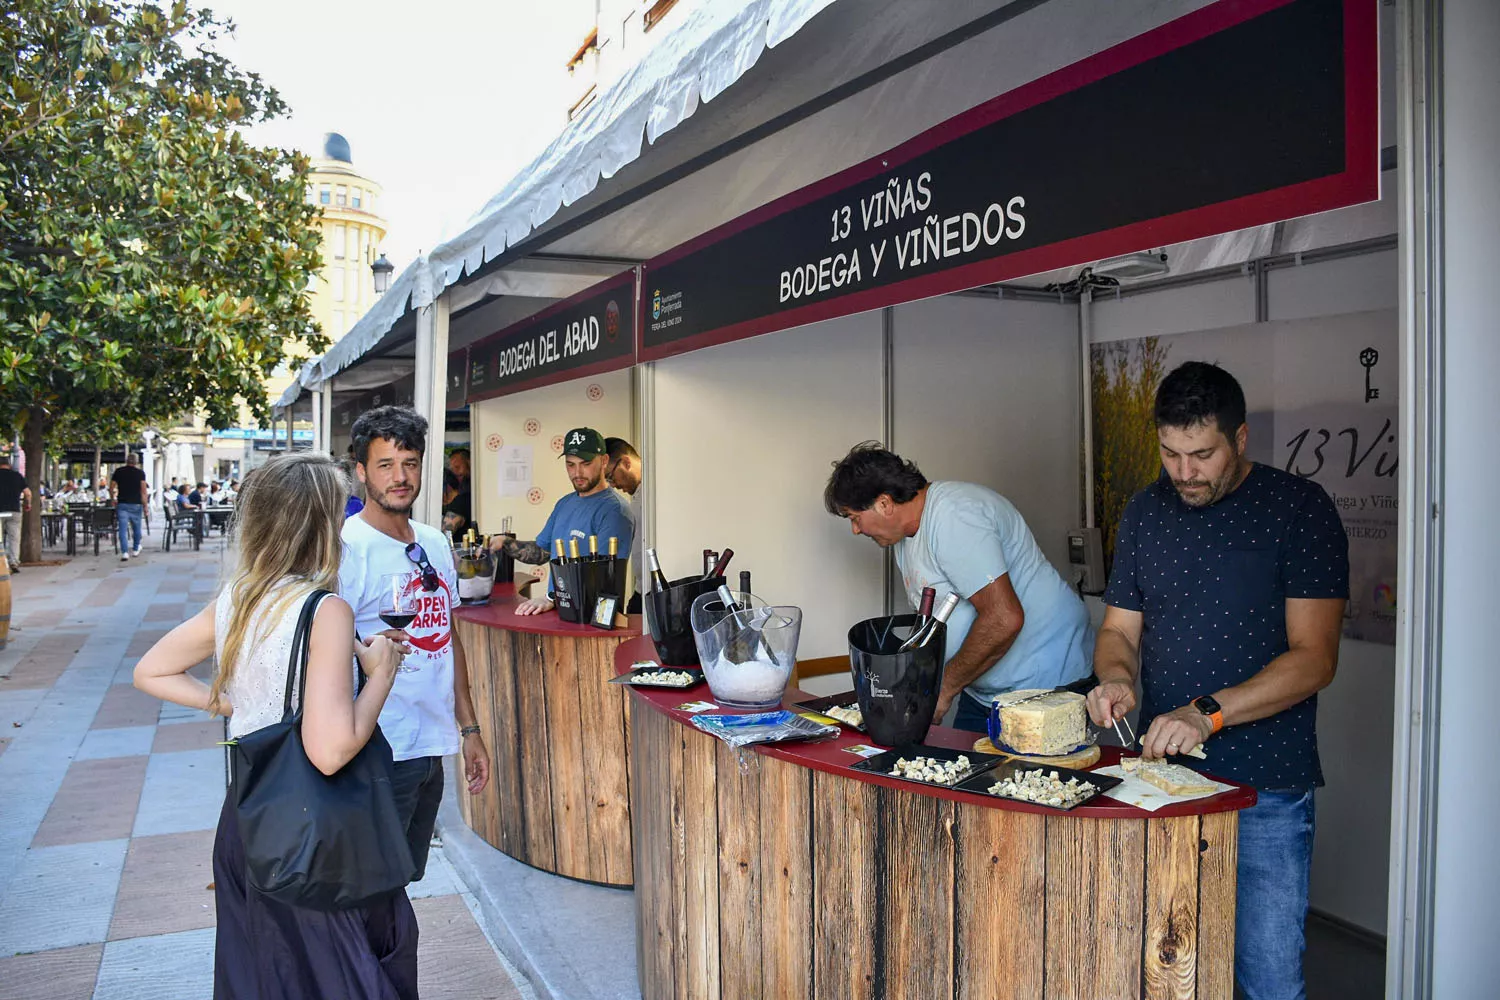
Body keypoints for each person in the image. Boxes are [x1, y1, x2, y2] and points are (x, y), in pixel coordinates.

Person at [1085, 362, 1348, 1000]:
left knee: (1267, 980)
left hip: (1267, 790)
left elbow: (1315, 659)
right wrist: (1116, 678)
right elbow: (1119, 632)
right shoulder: (1145, 511)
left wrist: (1207, 712)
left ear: (1241, 439)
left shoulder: (1299, 510)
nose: (1184, 472)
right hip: (1162, 783)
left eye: (1201, 454)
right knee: (1164, 968)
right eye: (1171, 453)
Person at [131, 453, 418, 998]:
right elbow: (331, 750)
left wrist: (232, 705)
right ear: (318, 523)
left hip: (247, 819)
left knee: (261, 973)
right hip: (317, 836)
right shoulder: (325, 609)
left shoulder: (239, 598)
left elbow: (152, 671)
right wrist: (380, 674)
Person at [824, 443, 1092, 730]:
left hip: (1045, 687)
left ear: (885, 503)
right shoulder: (905, 535)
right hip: (986, 689)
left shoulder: (954, 517)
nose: (856, 529)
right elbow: (937, 618)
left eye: (855, 518)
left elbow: (1004, 618)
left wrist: (944, 689)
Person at [340, 406, 491, 886]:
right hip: (378, 743)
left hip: (430, 743)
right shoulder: (348, 547)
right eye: (385, 464)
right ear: (361, 471)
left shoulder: (433, 542)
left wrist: (469, 731)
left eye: (410, 463)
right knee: (374, 883)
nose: (400, 477)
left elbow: (448, 638)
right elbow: (323, 647)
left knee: (405, 878)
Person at [491, 427, 634, 615]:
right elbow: (543, 552)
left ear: (604, 461)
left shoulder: (615, 511)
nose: (577, 473)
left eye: (586, 463)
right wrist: (505, 543)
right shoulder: (564, 503)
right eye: (570, 465)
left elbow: (604, 578)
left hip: (590, 620)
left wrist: (551, 597)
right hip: (560, 614)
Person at [604, 437, 644, 611]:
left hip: (658, 594)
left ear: (626, 462)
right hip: (641, 590)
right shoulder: (637, 495)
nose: (613, 485)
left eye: (610, 477)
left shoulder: (657, 491)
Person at [110, 453, 149, 561]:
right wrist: (145, 506)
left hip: (122, 504)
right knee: (136, 528)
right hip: (136, 504)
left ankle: (125, 552)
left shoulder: (118, 472)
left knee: (122, 529)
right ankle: (136, 549)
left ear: (126, 460)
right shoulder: (140, 473)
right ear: (136, 462)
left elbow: (111, 487)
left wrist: (113, 499)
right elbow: (143, 491)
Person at [0, 455, 29, 573]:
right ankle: (14, 561)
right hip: (14, 510)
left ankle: (1, 563)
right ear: (9, 465)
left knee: (0, 538)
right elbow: (28, 493)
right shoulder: (17, 476)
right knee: (14, 537)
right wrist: (28, 504)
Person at [440, 448, 472, 540]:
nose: (454, 472)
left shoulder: (462, 501)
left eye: (457, 467)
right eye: (452, 469)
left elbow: (444, 536)